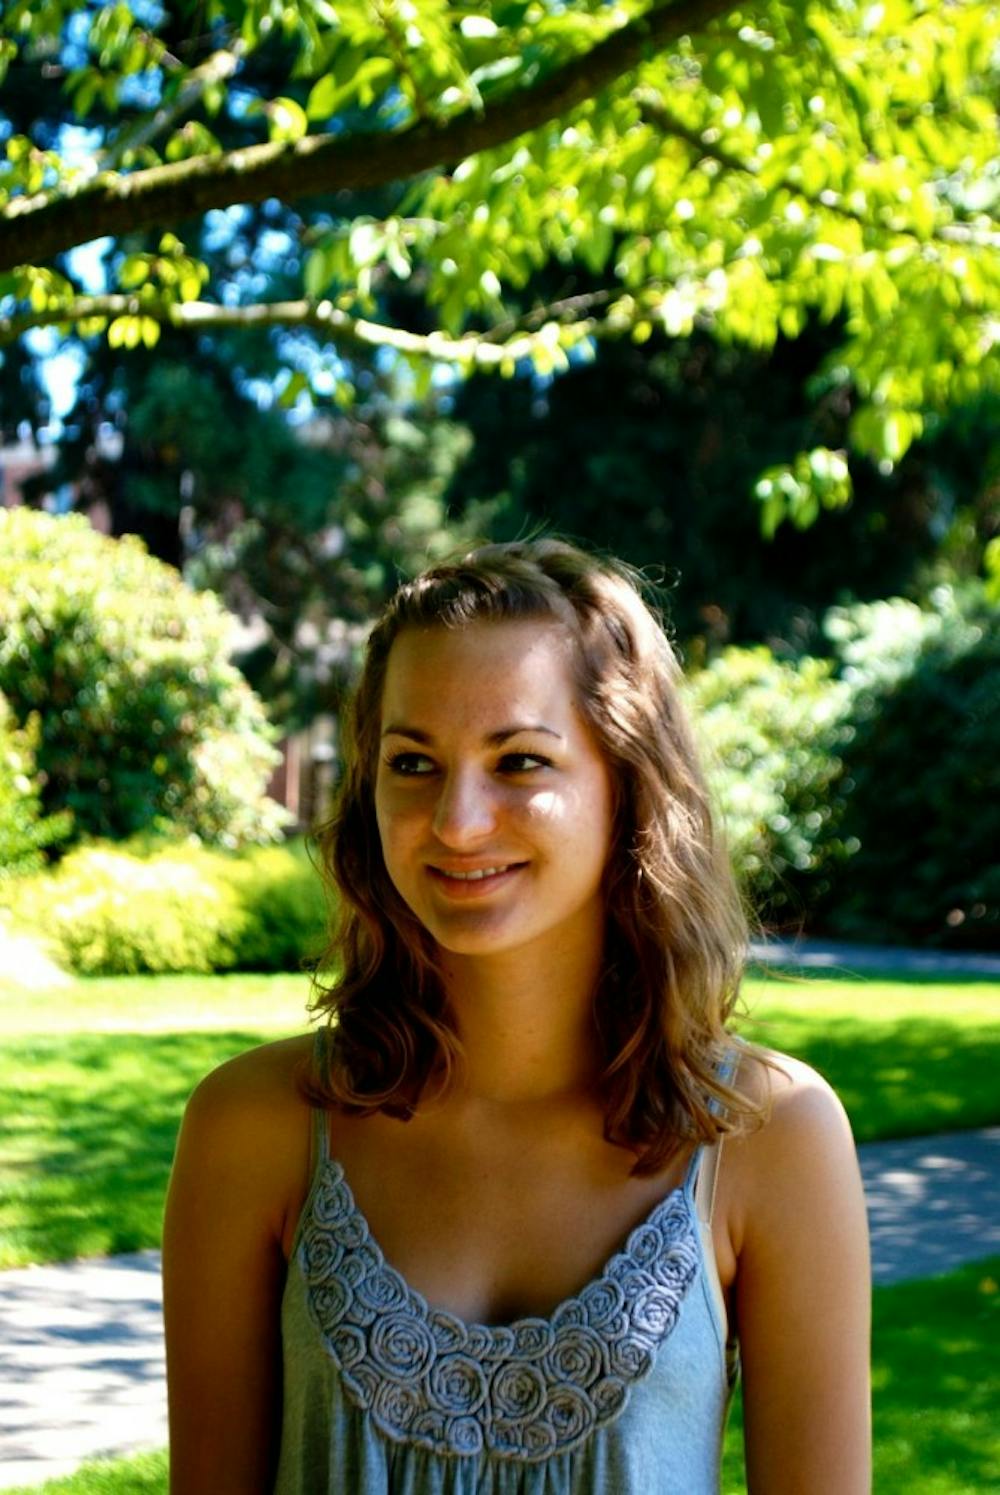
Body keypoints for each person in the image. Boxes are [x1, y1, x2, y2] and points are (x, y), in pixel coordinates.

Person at [163, 538, 871, 1494]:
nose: (456, 821)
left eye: (520, 759)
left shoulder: (768, 1136)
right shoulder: (253, 1129)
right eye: (413, 762)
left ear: (629, 784)